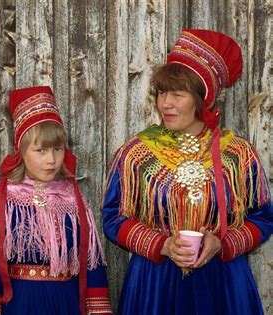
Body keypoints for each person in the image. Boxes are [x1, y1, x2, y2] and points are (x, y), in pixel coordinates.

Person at [102, 29, 273, 314]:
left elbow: (263, 218)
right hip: (155, 284)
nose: (165, 103)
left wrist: (222, 243)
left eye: (177, 95)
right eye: (161, 93)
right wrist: (163, 244)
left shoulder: (237, 154)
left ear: (202, 99)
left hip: (223, 283)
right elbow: (113, 218)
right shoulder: (136, 153)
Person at [0, 86, 112, 314]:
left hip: (67, 303)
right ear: (21, 151)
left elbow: (91, 263)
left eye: (57, 149)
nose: (52, 160)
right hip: (21, 303)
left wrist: (99, 310)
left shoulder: (74, 201)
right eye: (40, 151)